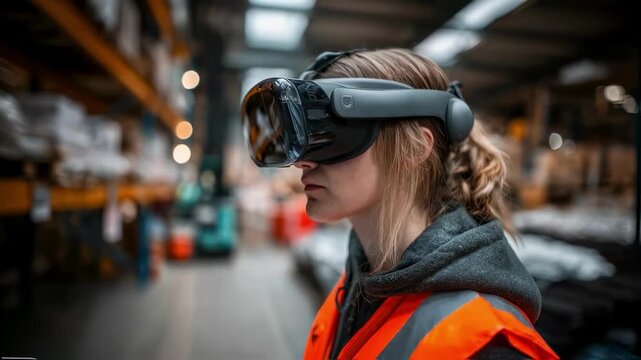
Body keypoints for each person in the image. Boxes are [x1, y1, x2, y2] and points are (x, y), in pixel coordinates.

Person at [241, 48, 559, 359]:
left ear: (415, 148)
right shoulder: (360, 285)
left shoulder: (487, 346)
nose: (303, 164)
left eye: (329, 137)